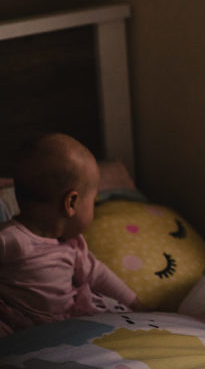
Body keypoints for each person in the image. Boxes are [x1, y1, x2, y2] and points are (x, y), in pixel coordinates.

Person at [0, 133, 140, 336]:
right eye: (93, 200)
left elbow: (98, 274)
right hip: (14, 322)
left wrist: (135, 302)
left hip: (64, 321)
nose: (94, 207)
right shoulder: (12, 238)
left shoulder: (73, 244)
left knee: (110, 312)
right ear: (71, 203)